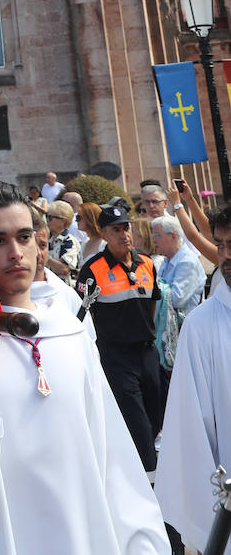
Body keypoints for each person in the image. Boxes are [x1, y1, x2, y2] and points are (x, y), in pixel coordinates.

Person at [0, 182, 169, 555]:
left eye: (24, 236)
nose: (16, 253)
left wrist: (141, 541)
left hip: (79, 534)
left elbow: (110, 457)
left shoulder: (70, 331)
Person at [155, 204, 231, 554]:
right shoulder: (201, 326)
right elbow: (192, 431)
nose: (226, 255)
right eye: (221, 245)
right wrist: (207, 525)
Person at [76, 204, 161, 477]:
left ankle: (150, 469)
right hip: (116, 356)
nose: (124, 234)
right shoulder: (93, 270)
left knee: (155, 415)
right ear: (104, 234)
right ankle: (148, 478)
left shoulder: (147, 263)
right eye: (116, 230)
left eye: (126, 227)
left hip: (147, 353)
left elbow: (153, 306)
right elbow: (82, 315)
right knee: (136, 422)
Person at [150, 214, 205, 318]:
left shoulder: (188, 261)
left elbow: (176, 299)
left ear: (173, 236)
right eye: (153, 235)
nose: (154, 240)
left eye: (157, 235)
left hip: (186, 328)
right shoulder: (167, 260)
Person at [45, 200, 81, 283]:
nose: (46, 220)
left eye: (50, 217)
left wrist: (43, 258)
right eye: (46, 216)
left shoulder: (70, 241)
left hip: (65, 289)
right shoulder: (47, 239)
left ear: (62, 221)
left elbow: (64, 269)